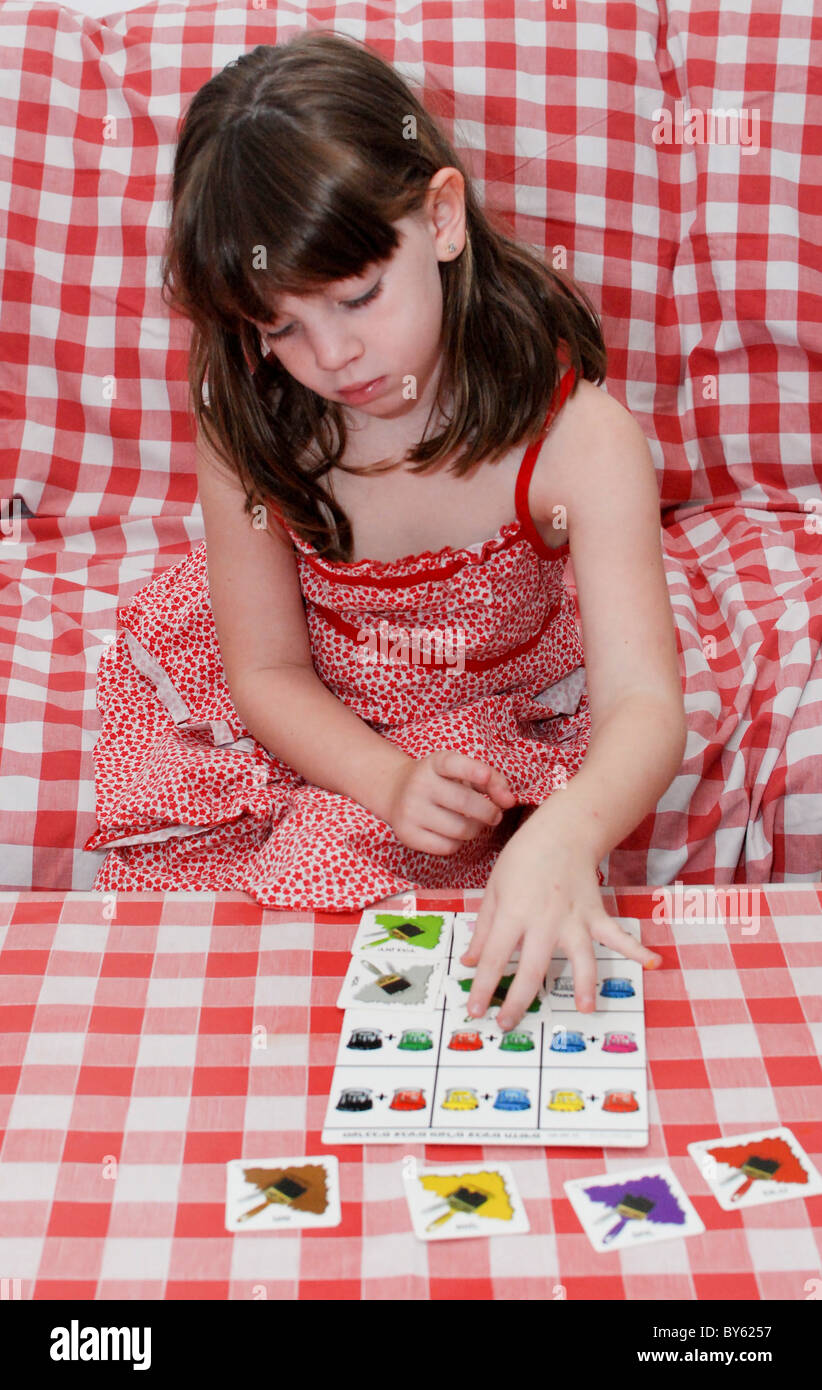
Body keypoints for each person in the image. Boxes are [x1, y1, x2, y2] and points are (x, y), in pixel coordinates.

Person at [85, 30, 687, 1030]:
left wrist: (567, 831)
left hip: (496, 730)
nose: (330, 354)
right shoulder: (248, 414)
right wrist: (387, 778)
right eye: (275, 326)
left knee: (498, 954)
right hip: (315, 723)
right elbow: (268, 671)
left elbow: (645, 706)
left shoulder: (581, 442)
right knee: (243, 977)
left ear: (442, 218)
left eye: (357, 295)